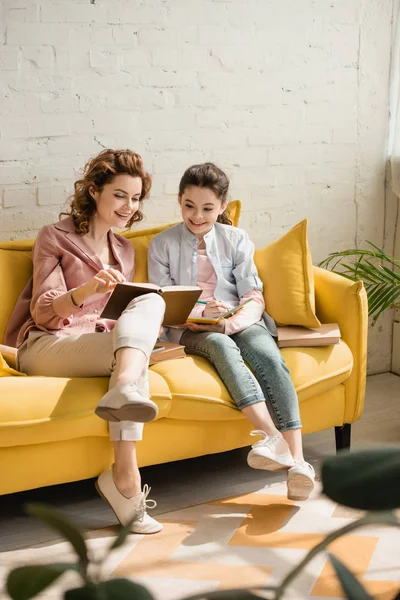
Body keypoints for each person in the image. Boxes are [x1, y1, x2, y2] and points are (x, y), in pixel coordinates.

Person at [5, 149, 165, 533]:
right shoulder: (54, 237)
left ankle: (124, 396)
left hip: (100, 345)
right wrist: (87, 290)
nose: (129, 207)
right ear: (94, 191)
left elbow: (114, 316)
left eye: (136, 197)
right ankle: (124, 481)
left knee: (151, 299)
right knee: (134, 358)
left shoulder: (123, 249)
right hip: (47, 345)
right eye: (120, 195)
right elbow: (44, 313)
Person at [148, 162, 315, 501]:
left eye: (208, 208)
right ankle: (272, 437)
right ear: (179, 201)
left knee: (268, 355)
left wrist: (230, 321)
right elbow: (160, 299)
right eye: (189, 206)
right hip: (187, 327)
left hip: (235, 320)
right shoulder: (162, 244)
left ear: (223, 206)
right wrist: (198, 315)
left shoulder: (236, 239)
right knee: (222, 349)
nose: (197, 216)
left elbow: (254, 295)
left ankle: (298, 462)